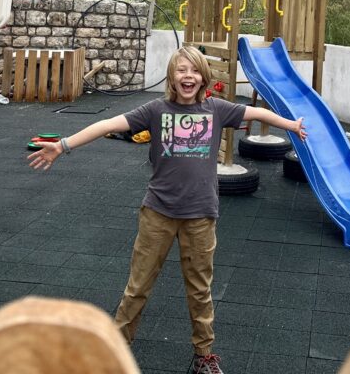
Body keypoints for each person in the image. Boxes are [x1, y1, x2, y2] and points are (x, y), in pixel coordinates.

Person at [27, 45, 308, 374]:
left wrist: (290, 125)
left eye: (194, 71)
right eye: (181, 70)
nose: (188, 76)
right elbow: (105, 125)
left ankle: (204, 355)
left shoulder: (216, 109)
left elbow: (256, 114)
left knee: (200, 289)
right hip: (158, 214)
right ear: (172, 77)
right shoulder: (155, 110)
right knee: (138, 287)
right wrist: (61, 146)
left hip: (201, 216)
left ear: (203, 77)